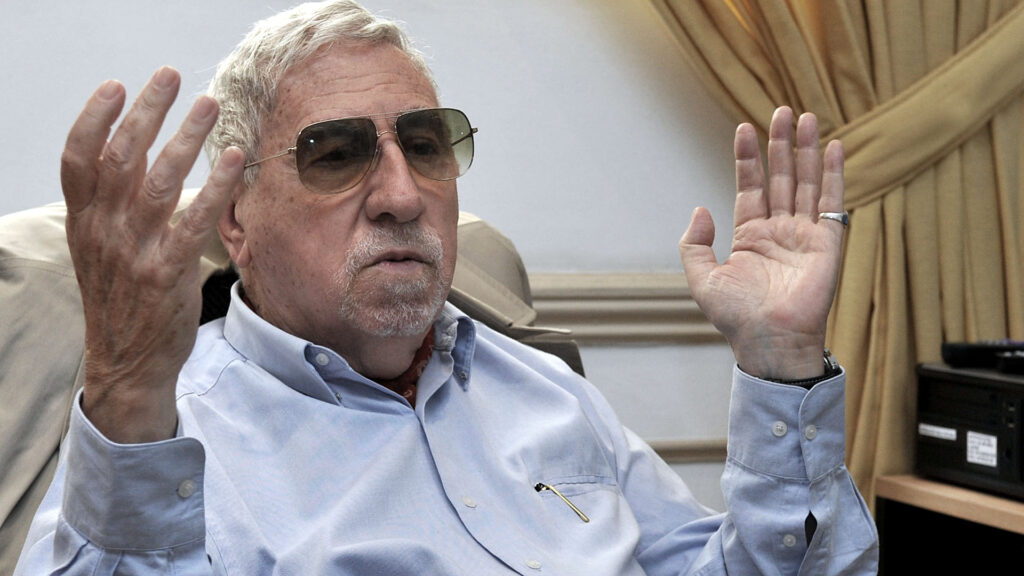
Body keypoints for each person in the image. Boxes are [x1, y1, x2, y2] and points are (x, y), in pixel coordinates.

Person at [15, 1, 877, 574]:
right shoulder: (167, 439)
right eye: (336, 155)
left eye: (425, 145)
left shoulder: (546, 390)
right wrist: (126, 390)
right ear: (235, 220)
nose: (401, 195)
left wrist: (781, 361)